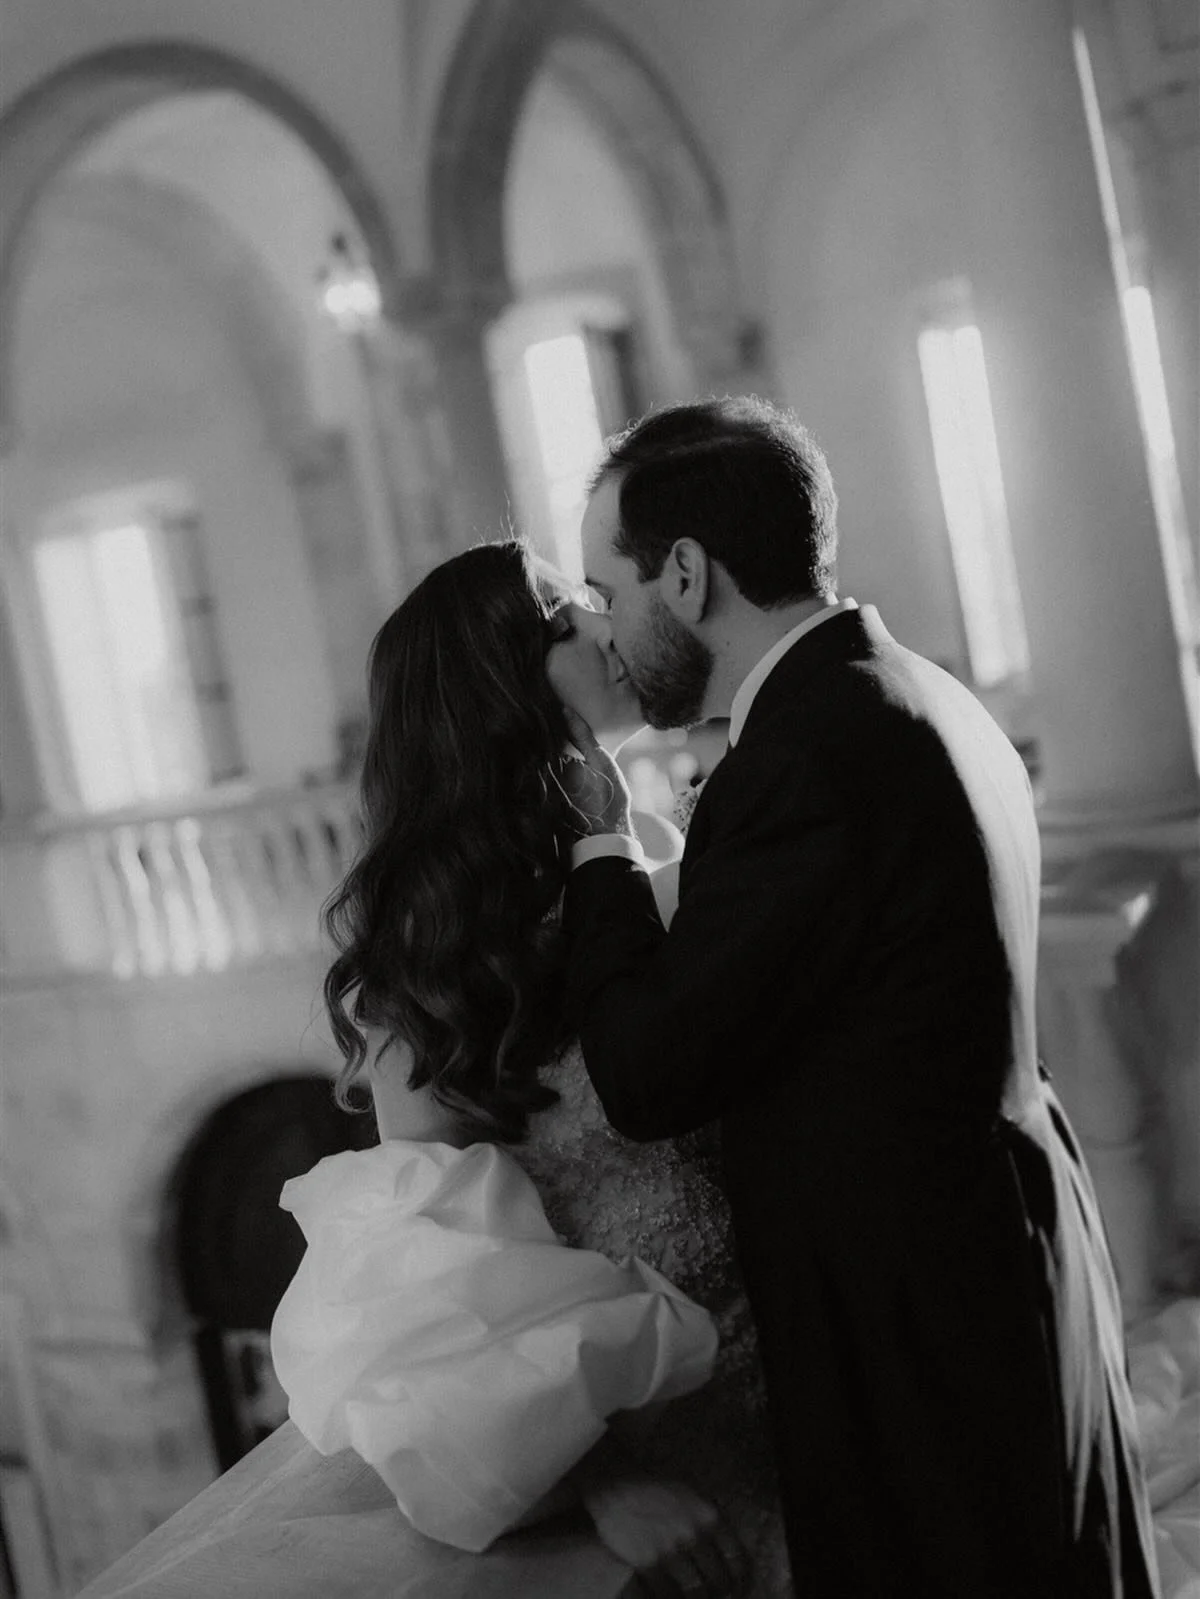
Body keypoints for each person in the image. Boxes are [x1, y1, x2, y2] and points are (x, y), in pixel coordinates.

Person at [558, 395, 1160, 1598]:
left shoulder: (804, 763)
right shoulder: (912, 688)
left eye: (609, 590)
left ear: (685, 573)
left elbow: (648, 1071)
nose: (609, 632)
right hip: (1005, 1263)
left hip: (919, 1335)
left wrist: (600, 841)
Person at [270, 539, 790, 1597]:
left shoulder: (640, 843)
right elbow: (432, 1275)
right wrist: (603, 1485)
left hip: (793, 1381)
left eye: (595, 605)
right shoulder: (434, 956)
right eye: (566, 624)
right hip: (659, 1449)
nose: (610, 629)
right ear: (494, 689)